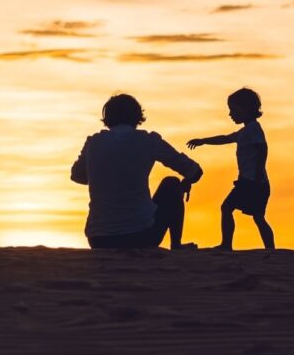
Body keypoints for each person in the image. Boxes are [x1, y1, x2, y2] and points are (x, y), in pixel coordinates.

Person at [71, 94, 203, 249]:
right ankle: (176, 245)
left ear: (107, 118)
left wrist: (103, 175)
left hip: (98, 239)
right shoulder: (149, 140)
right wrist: (187, 182)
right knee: (171, 183)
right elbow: (194, 171)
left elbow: (77, 176)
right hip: (141, 235)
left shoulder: (93, 142)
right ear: (137, 116)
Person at [187, 87, 275, 250]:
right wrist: (203, 141)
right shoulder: (246, 131)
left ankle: (228, 244)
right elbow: (225, 138)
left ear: (246, 109)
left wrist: (256, 176)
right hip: (250, 181)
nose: (231, 114)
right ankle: (268, 248)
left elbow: (262, 149)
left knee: (232, 209)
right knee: (254, 216)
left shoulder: (254, 129)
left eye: (233, 110)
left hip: (253, 182)